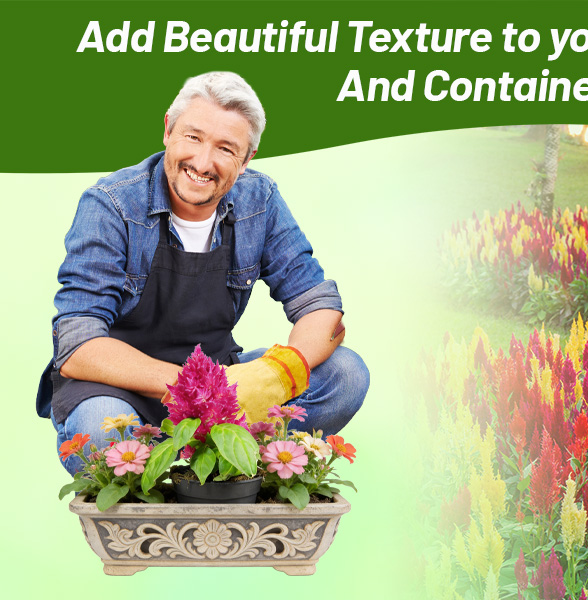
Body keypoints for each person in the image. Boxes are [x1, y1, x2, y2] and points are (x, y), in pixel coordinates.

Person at [36, 72, 369, 475]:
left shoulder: (259, 200)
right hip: (122, 392)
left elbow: (320, 309)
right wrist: (200, 387)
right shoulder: (111, 205)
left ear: (247, 160)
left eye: (226, 149)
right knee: (99, 432)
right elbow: (78, 345)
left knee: (345, 375)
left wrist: (275, 373)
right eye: (193, 137)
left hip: (220, 388)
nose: (203, 162)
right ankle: (161, 496)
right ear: (167, 130)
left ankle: (227, 472)